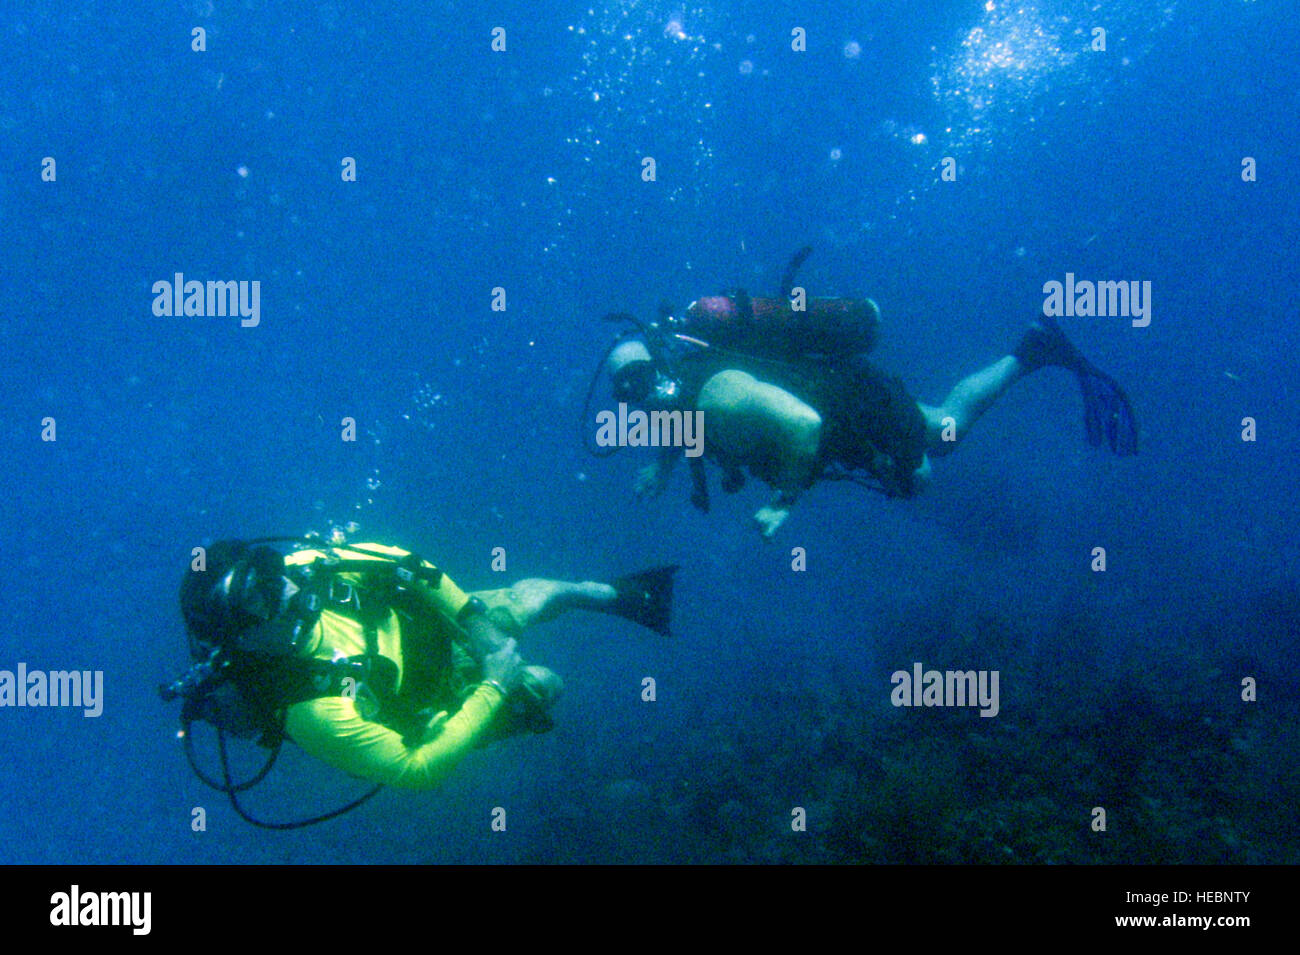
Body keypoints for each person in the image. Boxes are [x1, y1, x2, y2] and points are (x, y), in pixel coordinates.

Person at [169, 537, 676, 811]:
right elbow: (417, 770)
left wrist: (475, 624)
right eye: (256, 599)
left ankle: (623, 597)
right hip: (430, 707)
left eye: (267, 571)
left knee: (527, 601)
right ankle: (504, 697)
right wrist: (494, 685)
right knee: (546, 683)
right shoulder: (305, 707)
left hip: (433, 630)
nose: (280, 589)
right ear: (239, 632)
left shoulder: (304, 567)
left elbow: (403, 563)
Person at [602, 303, 1137, 538]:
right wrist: (662, 471)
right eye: (628, 394)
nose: (642, 399)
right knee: (932, 436)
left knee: (938, 443)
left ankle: (1030, 352)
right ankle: (1031, 349)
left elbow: (804, 424)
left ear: (663, 364)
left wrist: (782, 503)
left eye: (642, 382)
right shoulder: (685, 397)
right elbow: (683, 425)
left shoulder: (717, 392)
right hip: (848, 397)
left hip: (861, 407)